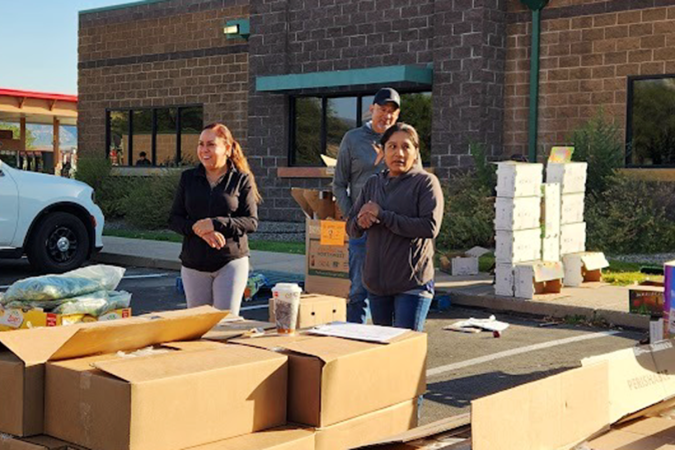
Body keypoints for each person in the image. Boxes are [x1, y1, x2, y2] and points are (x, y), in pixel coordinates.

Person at [346, 123, 443, 332]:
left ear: (416, 152)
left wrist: (383, 216)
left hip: (411, 284)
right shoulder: (373, 184)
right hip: (376, 285)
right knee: (384, 353)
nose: (398, 153)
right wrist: (360, 222)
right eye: (391, 146)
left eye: (406, 147)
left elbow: (429, 227)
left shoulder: (425, 183)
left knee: (404, 351)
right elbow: (351, 227)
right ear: (383, 152)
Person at [169, 122, 261, 315]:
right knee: (196, 326)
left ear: (227, 148)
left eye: (211, 144)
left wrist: (215, 223)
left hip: (230, 262)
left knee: (224, 324)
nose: (204, 150)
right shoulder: (188, 178)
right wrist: (198, 228)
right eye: (201, 144)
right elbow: (174, 219)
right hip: (193, 263)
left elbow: (251, 222)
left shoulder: (241, 180)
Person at [333, 87, 401, 323]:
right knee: (359, 292)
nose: (387, 116)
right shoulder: (352, 139)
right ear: (372, 109)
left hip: (393, 229)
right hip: (362, 230)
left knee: (391, 290)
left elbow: (416, 178)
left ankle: (385, 343)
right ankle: (355, 340)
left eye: (392, 111)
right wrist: (351, 216)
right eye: (383, 109)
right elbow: (339, 183)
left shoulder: (402, 141)